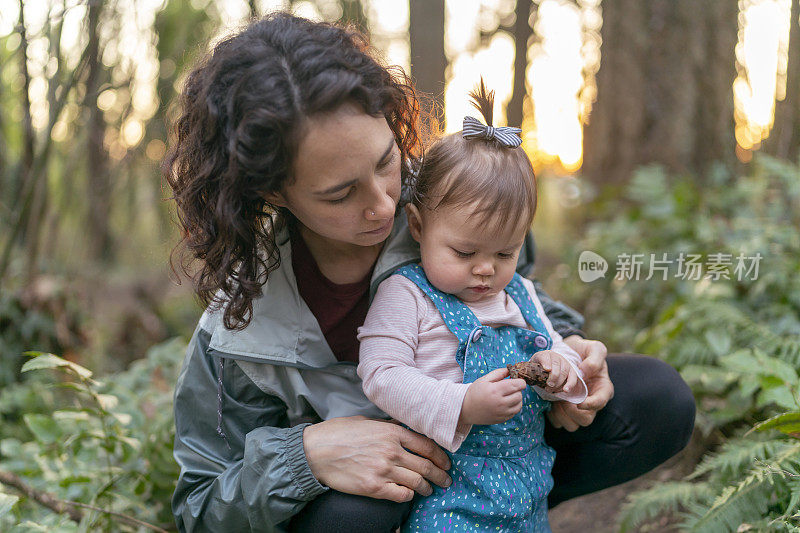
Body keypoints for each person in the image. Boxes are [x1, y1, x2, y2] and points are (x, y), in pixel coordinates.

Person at [166, 12, 696, 533]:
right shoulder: (239, 331)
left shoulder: (459, 209)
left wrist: (571, 355)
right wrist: (303, 459)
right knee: (362, 510)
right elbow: (200, 503)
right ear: (272, 191)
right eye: (340, 193)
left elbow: (520, 305)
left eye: (384, 161)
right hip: (376, 501)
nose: (383, 204)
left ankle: (501, 515)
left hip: (491, 457)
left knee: (655, 397)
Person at [357, 84, 589, 532]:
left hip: (527, 483)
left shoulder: (519, 293)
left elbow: (561, 346)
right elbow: (381, 374)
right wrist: (462, 403)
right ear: (418, 226)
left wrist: (560, 368)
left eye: (505, 254)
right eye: (464, 253)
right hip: (450, 491)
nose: (486, 271)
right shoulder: (408, 294)